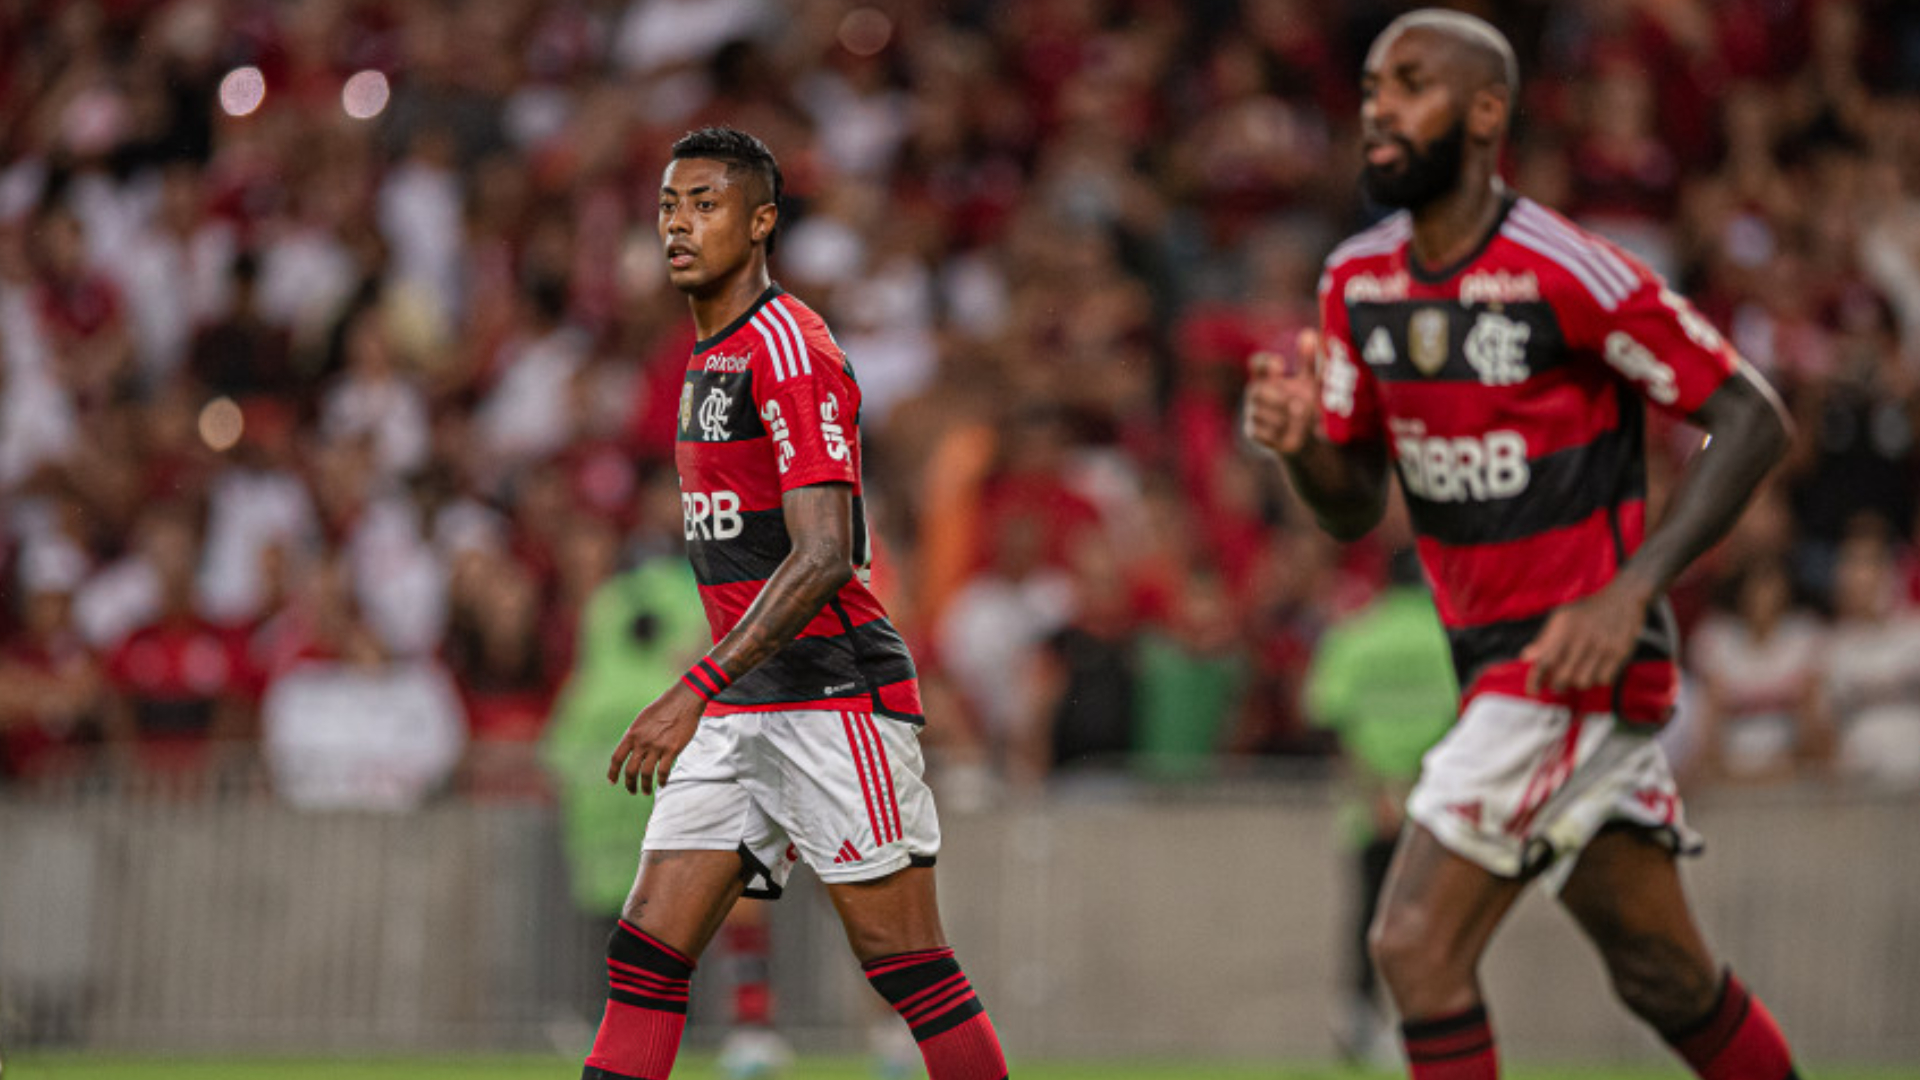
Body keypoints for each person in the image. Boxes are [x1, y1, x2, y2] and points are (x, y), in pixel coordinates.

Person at [1243, 11, 1801, 1079]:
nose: (1379, 108)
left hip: (1567, 667)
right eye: (1370, 88)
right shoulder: (1357, 284)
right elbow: (1354, 507)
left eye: (1411, 85)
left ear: (1487, 112)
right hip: (1492, 668)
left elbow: (1753, 416)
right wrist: (1304, 450)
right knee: (1665, 979)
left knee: (1412, 944)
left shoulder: (1572, 272)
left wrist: (1631, 590)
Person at [582, 128, 1007, 1080]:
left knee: (909, 968)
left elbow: (825, 554)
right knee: (646, 954)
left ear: (762, 221)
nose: (680, 224)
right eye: (668, 205)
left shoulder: (790, 347)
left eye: (706, 204)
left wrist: (692, 685)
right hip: (743, 708)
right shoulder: (706, 357)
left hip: (831, 694)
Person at [1303, 549, 1456, 1063]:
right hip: (1435, 806)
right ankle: (1425, 1025)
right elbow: (1470, 717)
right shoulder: (1450, 638)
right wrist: (1415, 785)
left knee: (1370, 918)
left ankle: (1360, 1021)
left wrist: (1377, 791)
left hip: (1370, 807)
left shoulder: (1354, 635)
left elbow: (1327, 718)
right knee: (1433, 922)